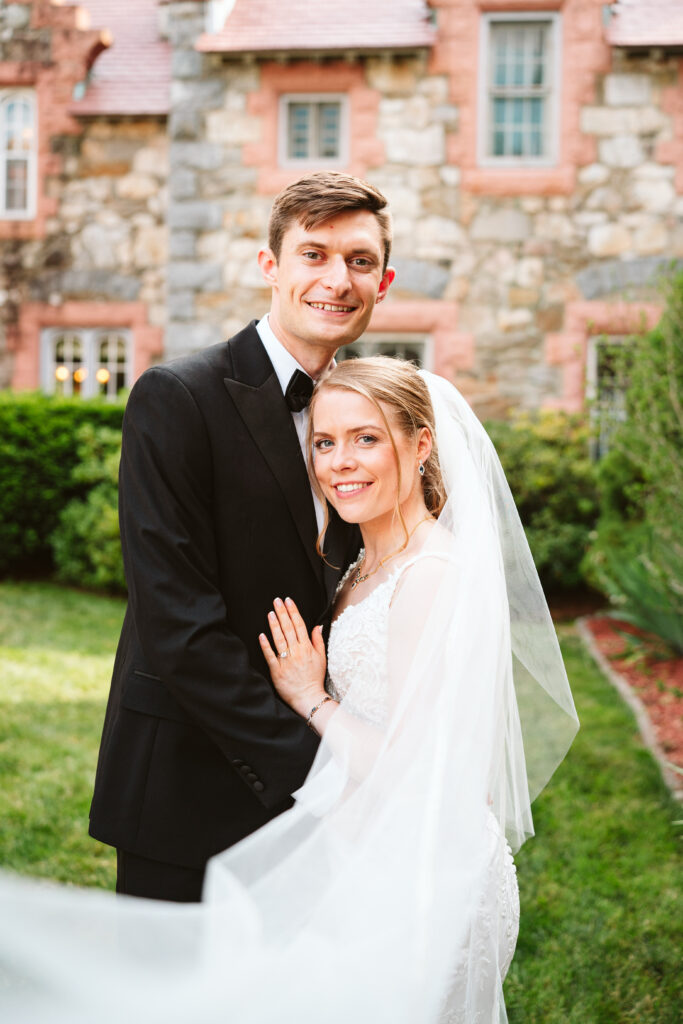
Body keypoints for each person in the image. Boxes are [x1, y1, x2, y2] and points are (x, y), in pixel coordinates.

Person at [0, 356, 578, 1024]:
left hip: (417, 873)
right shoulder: (363, 563)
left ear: (422, 444)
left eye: (366, 438)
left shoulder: (431, 577)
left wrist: (312, 697)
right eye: (324, 443)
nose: (340, 463)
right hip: (366, 847)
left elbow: (410, 773)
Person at [88, 171, 396, 902]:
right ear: (270, 267)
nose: (336, 279)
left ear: (383, 281)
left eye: (357, 260)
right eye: (312, 254)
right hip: (187, 788)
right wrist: (321, 773)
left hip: (326, 803)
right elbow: (177, 626)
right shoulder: (178, 397)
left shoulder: (371, 417)